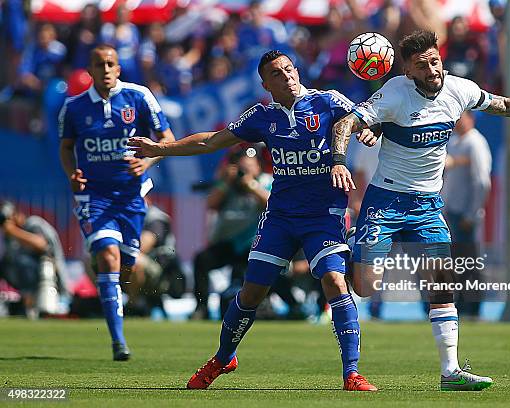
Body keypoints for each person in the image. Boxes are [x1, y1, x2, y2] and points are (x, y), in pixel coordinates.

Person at [330, 30, 510, 391]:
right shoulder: (393, 93)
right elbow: (346, 123)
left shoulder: (459, 88)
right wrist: (341, 159)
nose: (432, 70)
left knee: (442, 286)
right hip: (385, 200)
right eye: (422, 66)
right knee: (365, 287)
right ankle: (344, 249)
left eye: (435, 61)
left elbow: (503, 104)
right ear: (408, 71)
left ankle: (450, 372)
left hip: (426, 205)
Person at [128, 50, 377, 391]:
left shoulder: (328, 101)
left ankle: (352, 373)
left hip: (324, 217)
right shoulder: (262, 116)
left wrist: (368, 130)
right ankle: (223, 358)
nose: (286, 74)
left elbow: (363, 119)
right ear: (266, 83)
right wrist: (160, 149)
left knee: (335, 281)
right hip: (280, 218)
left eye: (289, 68)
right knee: (250, 294)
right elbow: (211, 141)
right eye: (277, 72)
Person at [58, 44, 176, 360]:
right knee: (108, 257)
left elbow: (167, 139)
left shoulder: (139, 97)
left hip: (131, 198)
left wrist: (147, 161)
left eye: (111, 63)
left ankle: (116, 305)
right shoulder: (74, 107)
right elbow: (67, 148)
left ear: (119, 68)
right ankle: (118, 342)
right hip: (93, 196)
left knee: (126, 267)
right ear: (91, 71)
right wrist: (73, 174)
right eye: (100, 64)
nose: (106, 69)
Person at [191, 147, 273, 320]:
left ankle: (267, 306)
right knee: (202, 260)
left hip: (254, 243)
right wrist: (226, 182)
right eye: (242, 167)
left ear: (259, 167)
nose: (245, 171)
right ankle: (201, 306)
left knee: (261, 270)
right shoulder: (227, 184)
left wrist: (251, 185)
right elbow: (211, 204)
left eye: (250, 167)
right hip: (230, 243)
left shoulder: (267, 181)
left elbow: (271, 204)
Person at [442, 111, 492, 319]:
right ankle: (461, 304)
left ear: (470, 119)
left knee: (468, 260)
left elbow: (481, 182)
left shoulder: (475, 143)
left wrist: (471, 213)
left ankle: (473, 306)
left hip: (464, 212)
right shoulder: (454, 141)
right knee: (457, 261)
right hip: (452, 210)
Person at [0, 201, 68, 319]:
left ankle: (33, 306)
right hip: (29, 280)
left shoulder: (33, 223)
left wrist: (13, 231)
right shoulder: (10, 237)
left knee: (24, 262)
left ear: (15, 215)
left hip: (53, 279)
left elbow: (41, 244)